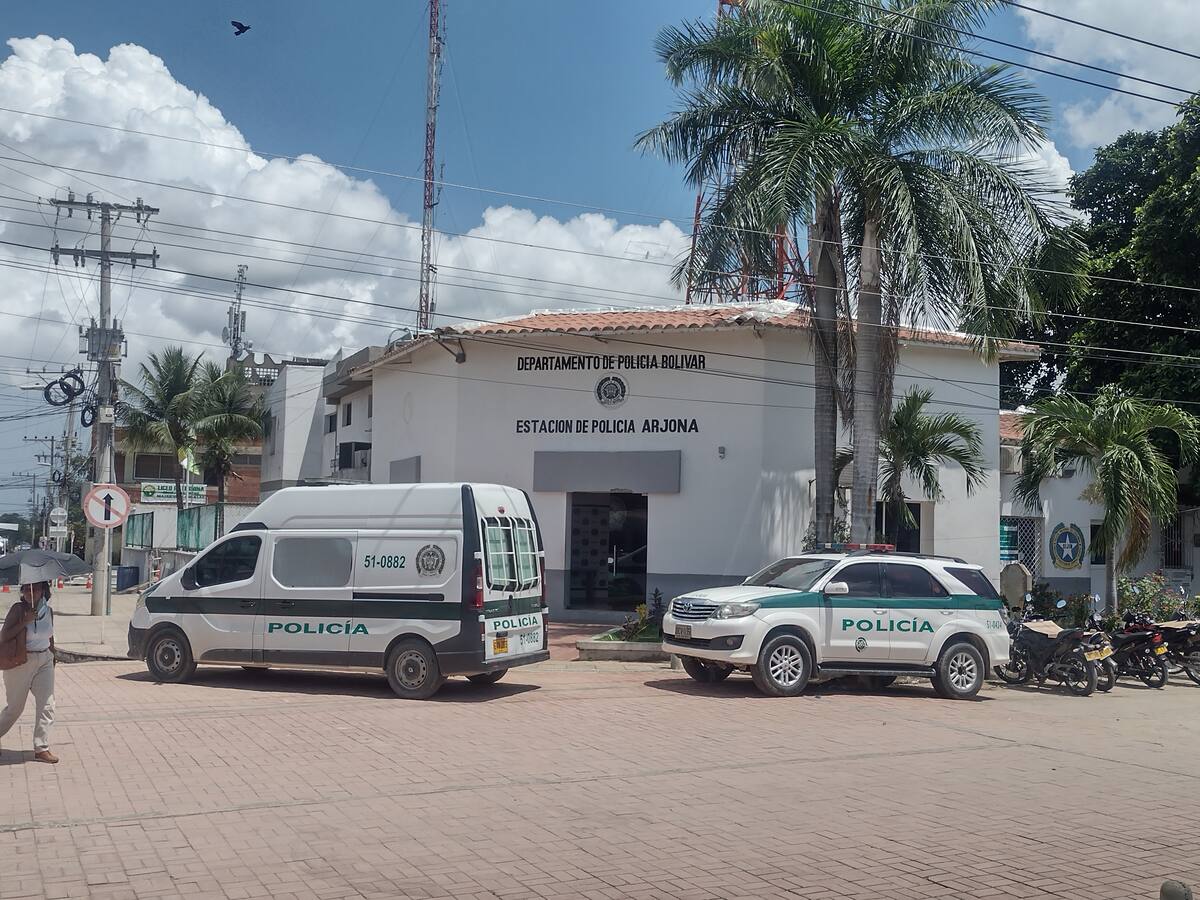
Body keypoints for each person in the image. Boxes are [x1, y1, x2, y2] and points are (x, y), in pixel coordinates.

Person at [0, 581, 57, 763]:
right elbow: (4, 636)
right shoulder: (18, 610)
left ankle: (41, 748)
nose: (30, 593)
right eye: (26, 589)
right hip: (21, 662)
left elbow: (50, 635)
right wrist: (25, 621)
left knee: (47, 704)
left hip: (44, 659)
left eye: (35, 589)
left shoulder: (48, 611)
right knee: (15, 709)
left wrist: (53, 655)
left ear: (43, 591)